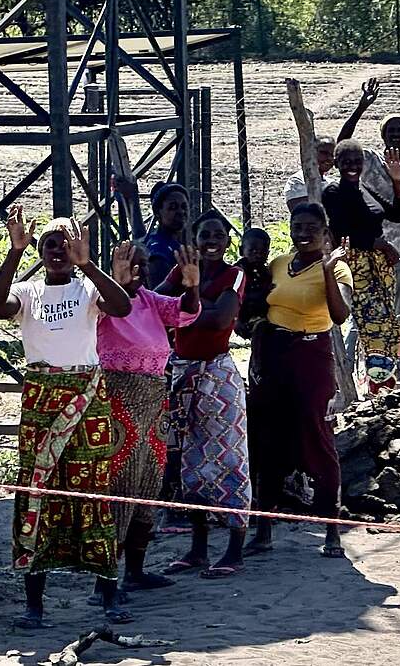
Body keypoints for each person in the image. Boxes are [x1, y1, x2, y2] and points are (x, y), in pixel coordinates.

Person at [0, 207, 134, 628]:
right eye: (50, 244)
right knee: (37, 489)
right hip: (42, 397)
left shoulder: (88, 289)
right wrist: (14, 252)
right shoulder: (28, 292)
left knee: (94, 491)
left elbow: (121, 307)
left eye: (66, 245)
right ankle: (34, 604)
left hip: (87, 397)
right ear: (40, 250)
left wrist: (89, 265)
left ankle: (108, 595)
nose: (58, 251)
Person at [95, 243, 201, 597]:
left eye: (144, 264)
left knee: (148, 486)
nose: (138, 270)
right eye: (131, 263)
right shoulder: (103, 302)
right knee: (119, 487)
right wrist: (117, 283)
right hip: (118, 399)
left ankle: (135, 571)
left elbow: (185, 314)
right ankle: (105, 580)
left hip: (153, 403)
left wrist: (192, 286)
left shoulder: (151, 301)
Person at [247, 202, 352, 558]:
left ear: (325, 233)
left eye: (312, 228)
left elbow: (340, 315)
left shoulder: (337, 268)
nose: (303, 233)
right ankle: (263, 529)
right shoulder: (279, 264)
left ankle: (332, 530)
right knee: (267, 439)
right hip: (273, 355)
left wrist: (327, 269)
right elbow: (258, 304)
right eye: (297, 226)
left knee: (317, 438)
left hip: (311, 356)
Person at [157, 209, 251, 579]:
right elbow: (157, 305)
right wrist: (195, 301)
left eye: (218, 235)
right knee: (191, 461)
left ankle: (234, 551)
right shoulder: (181, 272)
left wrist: (188, 298)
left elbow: (220, 319)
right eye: (205, 235)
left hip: (216, 374)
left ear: (228, 241)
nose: (211, 241)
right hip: (184, 372)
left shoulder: (234, 274)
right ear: (194, 240)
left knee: (230, 459)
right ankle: (198, 549)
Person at [336, 79, 400, 375]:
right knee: (364, 307)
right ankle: (349, 365)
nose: (396, 135)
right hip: (372, 247)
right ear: (382, 134)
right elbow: (342, 143)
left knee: (399, 310)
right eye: (391, 130)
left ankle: (394, 368)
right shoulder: (369, 160)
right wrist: (361, 107)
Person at [321, 139, 400, 390]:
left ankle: (382, 381)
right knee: (370, 325)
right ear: (336, 164)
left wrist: (397, 181)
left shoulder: (364, 189)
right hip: (356, 265)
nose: (352, 166)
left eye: (357, 161)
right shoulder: (333, 192)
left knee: (386, 323)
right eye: (346, 161)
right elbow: (342, 231)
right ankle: (365, 382)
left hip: (378, 266)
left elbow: (398, 215)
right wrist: (380, 244)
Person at [143, 183, 189, 289]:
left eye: (184, 206)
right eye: (172, 207)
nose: (181, 211)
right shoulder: (159, 252)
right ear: (158, 212)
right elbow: (158, 295)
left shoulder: (174, 243)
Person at [234, 227, 272, 340]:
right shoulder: (237, 271)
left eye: (262, 252)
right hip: (241, 315)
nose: (258, 255)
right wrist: (236, 320)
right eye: (252, 251)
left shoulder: (266, 272)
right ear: (241, 251)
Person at [285, 137, 336, 210]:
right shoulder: (297, 180)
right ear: (312, 153)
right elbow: (302, 211)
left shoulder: (331, 183)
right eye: (324, 153)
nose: (329, 158)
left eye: (332, 155)